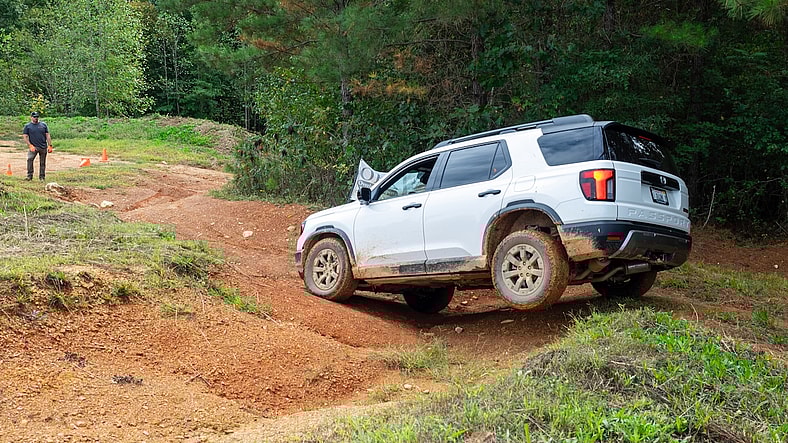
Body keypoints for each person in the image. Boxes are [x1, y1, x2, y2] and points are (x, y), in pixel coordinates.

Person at [22, 111, 53, 181]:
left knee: (42, 163)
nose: (36, 118)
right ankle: (29, 176)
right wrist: (30, 145)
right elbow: (25, 136)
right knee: (30, 159)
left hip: (43, 147)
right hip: (34, 147)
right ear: (31, 117)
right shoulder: (28, 126)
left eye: (37, 117)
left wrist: (50, 145)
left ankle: (42, 177)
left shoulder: (43, 125)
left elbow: (47, 135)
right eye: (34, 117)